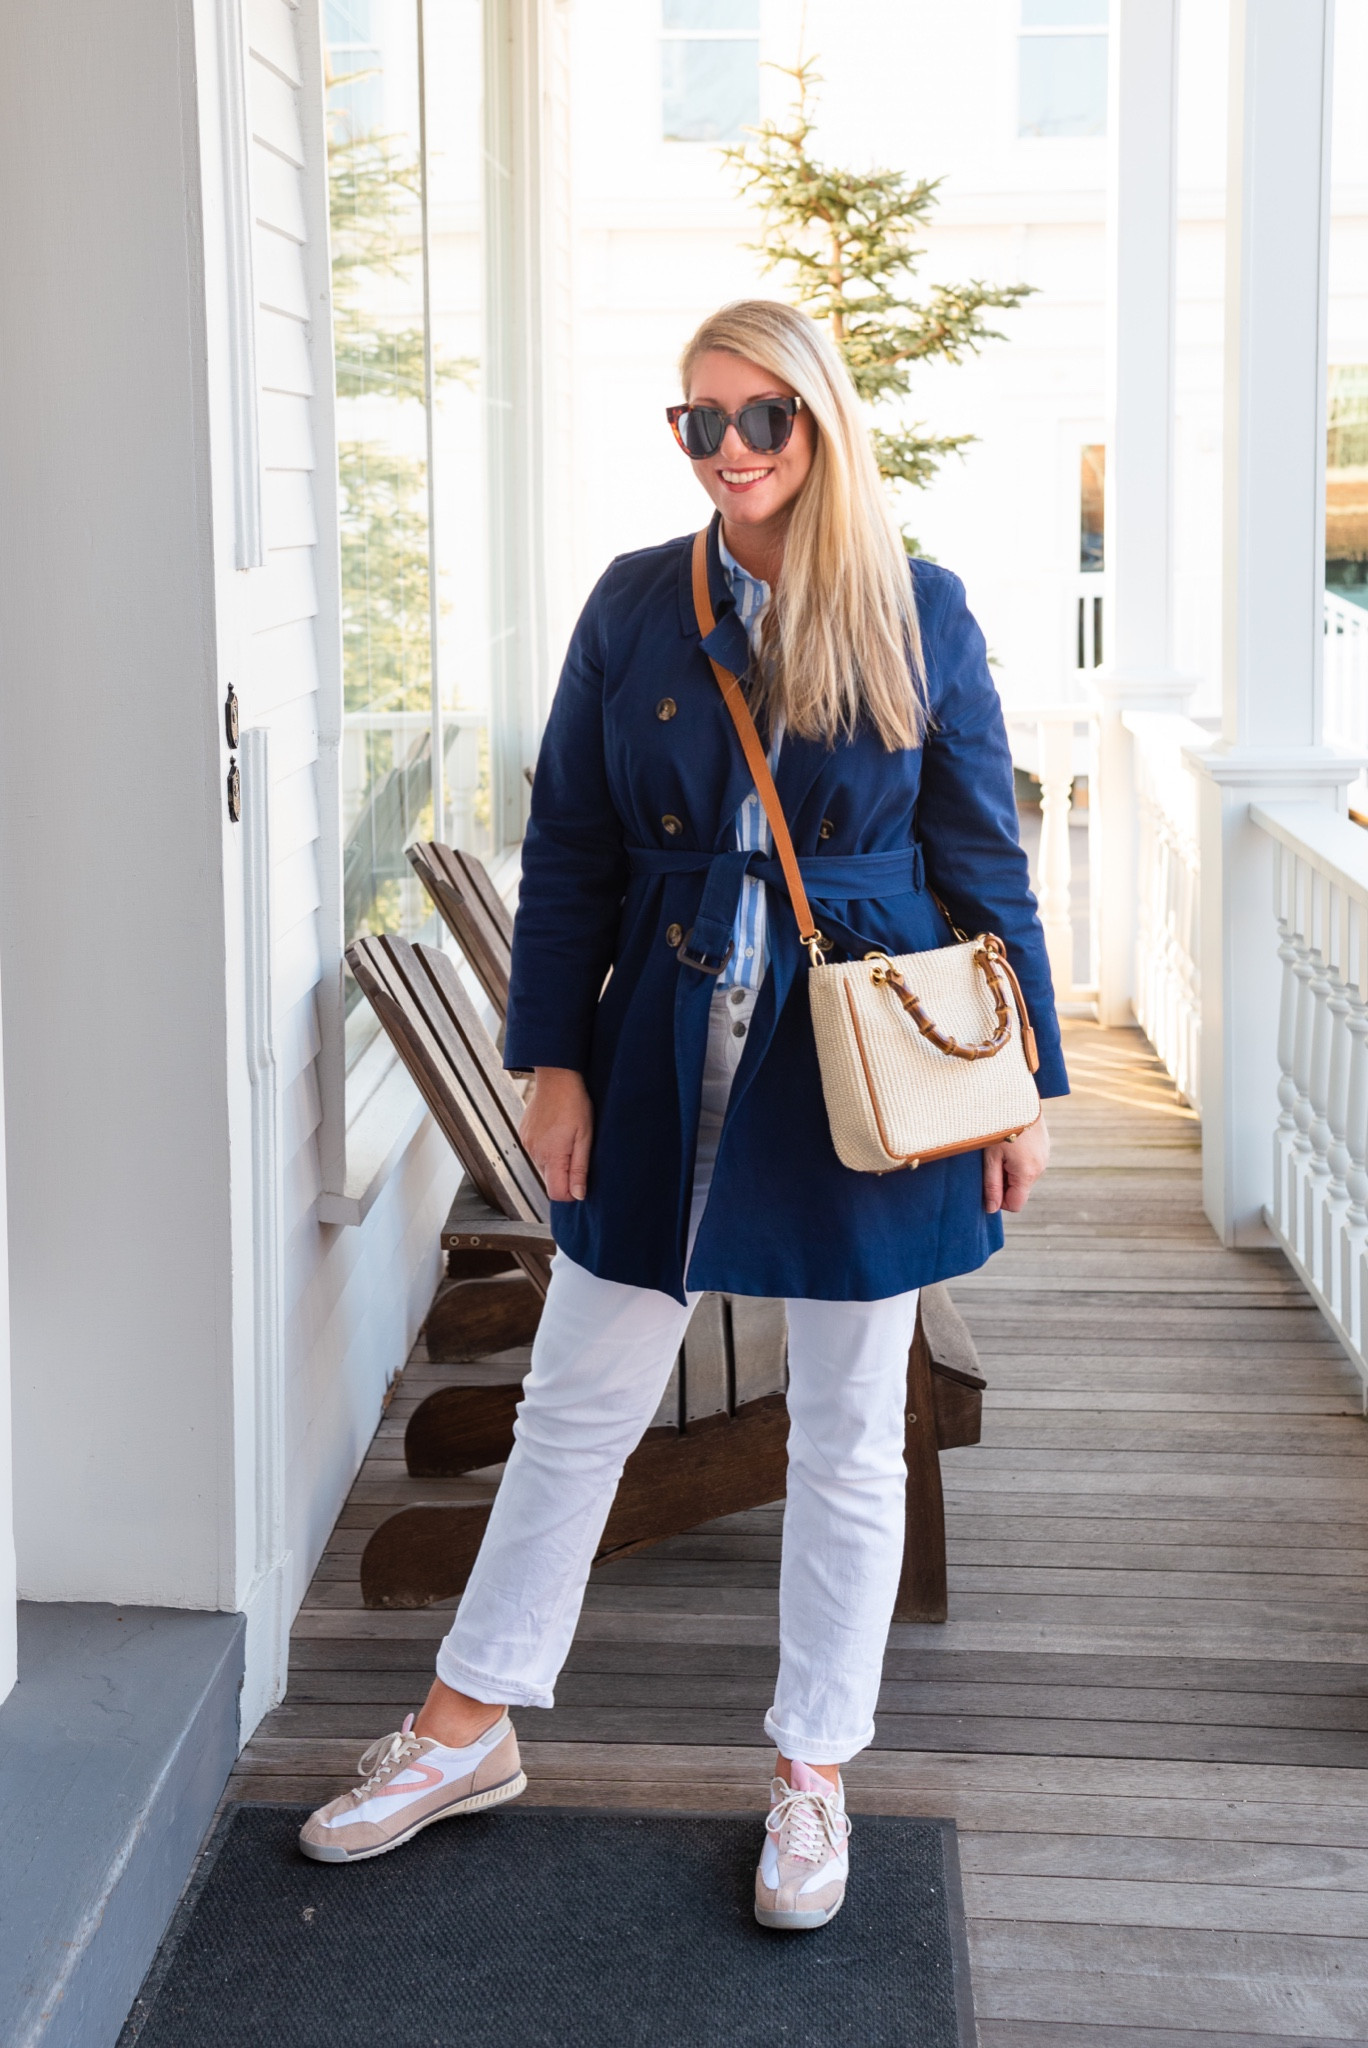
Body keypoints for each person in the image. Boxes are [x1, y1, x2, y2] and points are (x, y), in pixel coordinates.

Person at [300, 298, 1067, 1929]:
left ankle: (811, 1775)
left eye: (759, 418)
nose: (726, 451)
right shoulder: (638, 604)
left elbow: (985, 863)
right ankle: (466, 1727)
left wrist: (1027, 1086)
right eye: (697, 422)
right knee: (581, 1393)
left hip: (861, 1061)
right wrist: (552, 1064)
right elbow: (572, 841)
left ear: (822, 425)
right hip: (657, 1044)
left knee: (854, 1427)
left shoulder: (918, 607)